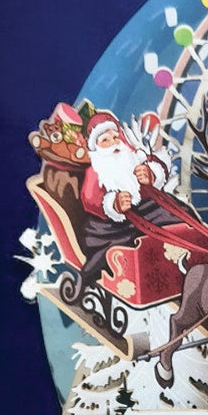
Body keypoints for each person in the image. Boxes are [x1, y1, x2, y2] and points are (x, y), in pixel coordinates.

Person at [76, 113, 173, 290]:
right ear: (95, 147)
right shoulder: (96, 170)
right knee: (117, 247)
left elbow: (156, 164)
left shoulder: (132, 156)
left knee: (176, 213)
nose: (114, 143)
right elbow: (89, 198)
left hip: (146, 211)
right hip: (112, 226)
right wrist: (114, 203)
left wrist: (151, 174)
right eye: (105, 140)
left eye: (115, 137)